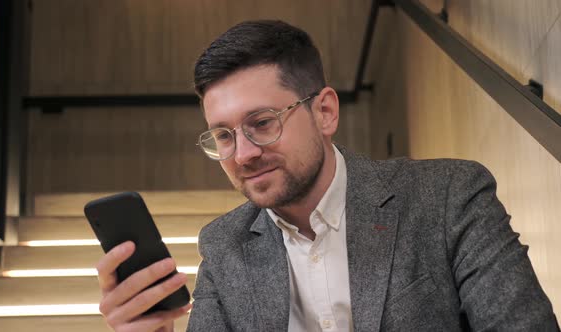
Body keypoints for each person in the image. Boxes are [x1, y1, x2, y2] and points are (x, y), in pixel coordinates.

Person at [95, 20, 559, 331]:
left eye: (262, 123)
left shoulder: (449, 197)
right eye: (223, 135)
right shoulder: (224, 245)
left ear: (325, 112)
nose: (243, 154)